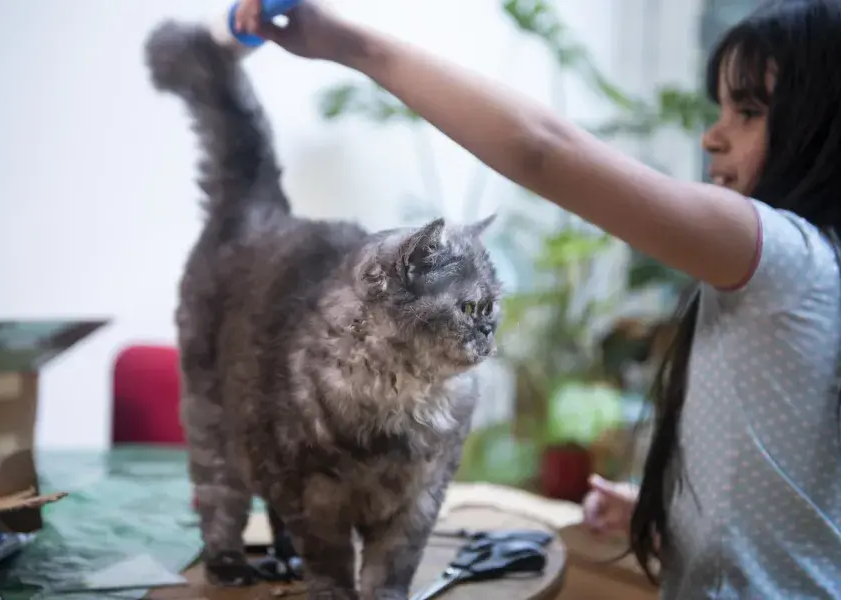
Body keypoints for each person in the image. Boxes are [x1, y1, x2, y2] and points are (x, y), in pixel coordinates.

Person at [232, 0, 841, 595]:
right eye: (722, 108)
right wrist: (665, 518)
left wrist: (351, 43)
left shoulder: (792, 258)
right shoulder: (810, 275)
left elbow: (541, 147)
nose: (713, 136)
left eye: (750, 111)